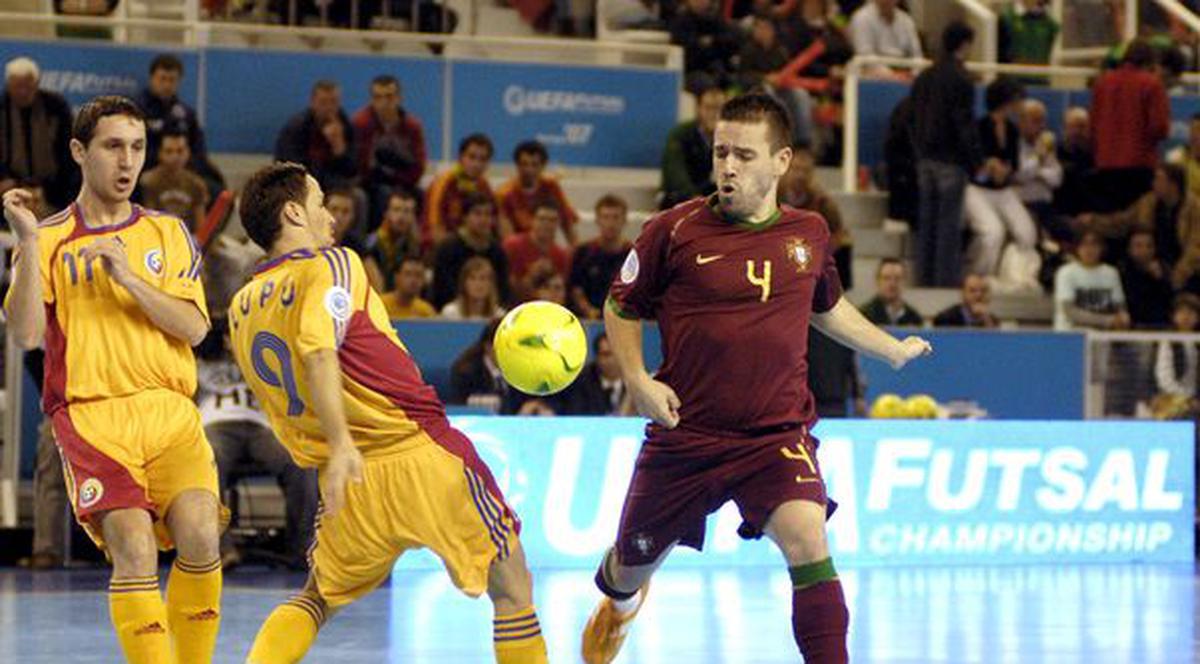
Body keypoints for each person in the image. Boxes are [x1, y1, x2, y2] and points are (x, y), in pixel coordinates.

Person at [583, 93, 932, 664]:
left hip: (776, 436)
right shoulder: (672, 231)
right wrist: (639, 380)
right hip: (685, 436)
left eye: (744, 155)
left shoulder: (811, 233)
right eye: (721, 152)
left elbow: (826, 306)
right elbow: (621, 305)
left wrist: (888, 348)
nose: (728, 166)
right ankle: (620, 606)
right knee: (630, 564)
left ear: (781, 161)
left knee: (809, 539)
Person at [229, 162, 547, 663]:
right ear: (293, 212)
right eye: (319, 204)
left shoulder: (242, 304)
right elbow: (318, 350)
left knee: (315, 598)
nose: (330, 217)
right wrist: (341, 444)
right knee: (512, 585)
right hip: (417, 451)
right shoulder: (334, 263)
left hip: (352, 484)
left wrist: (335, 450)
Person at [2, 96, 222, 663]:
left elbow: (195, 329)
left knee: (201, 535)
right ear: (79, 151)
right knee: (135, 545)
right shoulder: (47, 240)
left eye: (137, 147)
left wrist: (127, 276)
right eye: (112, 146)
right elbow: (25, 334)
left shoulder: (169, 233)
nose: (127, 162)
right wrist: (26, 244)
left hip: (170, 413)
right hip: (93, 416)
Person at [195, 320, 318, 570]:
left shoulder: (264, 358)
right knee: (207, 459)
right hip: (216, 424)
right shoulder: (201, 361)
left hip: (261, 426)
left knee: (300, 461)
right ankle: (220, 548)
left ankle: (301, 548)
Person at [911, 21, 984, 286]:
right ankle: (942, 283)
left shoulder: (924, 76)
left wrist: (919, 151)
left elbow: (912, 118)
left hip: (925, 159)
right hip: (950, 161)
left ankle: (923, 279)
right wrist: (977, 161)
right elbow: (963, 124)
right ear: (964, 44)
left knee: (926, 224)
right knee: (947, 227)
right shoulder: (961, 79)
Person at [964, 77, 1039, 280]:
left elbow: (1013, 164)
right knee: (993, 232)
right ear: (1007, 100)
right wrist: (988, 166)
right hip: (977, 188)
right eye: (1019, 100)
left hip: (1003, 190)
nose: (1022, 105)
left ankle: (1014, 276)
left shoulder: (1013, 130)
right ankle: (978, 277)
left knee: (1026, 233)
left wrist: (1005, 170)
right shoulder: (978, 127)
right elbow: (972, 161)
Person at [1080, 163, 1200, 288]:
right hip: (1149, 257)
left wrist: (1176, 274)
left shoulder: (1195, 208)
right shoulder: (1148, 202)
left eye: (1159, 179)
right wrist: (1094, 220)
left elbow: (1195, 248)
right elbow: (1122, 222)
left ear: (1173, 185)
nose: (1154, 183)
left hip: (1181, 265)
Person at [1090, 40, 1170, 213]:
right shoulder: (1152, 84)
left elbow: (1094, 126)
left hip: (1105, 165)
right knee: (1139, 222)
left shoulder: (1102, 83)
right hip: (1139, 165)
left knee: (1109, 224)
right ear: (1150, 62)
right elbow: (1159, 128)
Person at [135, 54, 224, 196]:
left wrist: (184, 162)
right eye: (162, 79)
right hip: (147, 170)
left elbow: (199, 151)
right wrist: (161, 160)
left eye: (172, 80)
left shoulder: (187, 114)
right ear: (152, 78)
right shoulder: (136, 111)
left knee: (217, 191)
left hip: (184, 171)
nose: (167, 85)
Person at [0, 57, 76, 208]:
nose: (22, 92)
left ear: (37, 84)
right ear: (8, 86)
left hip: (53, 188)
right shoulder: (1, 109)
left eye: (27, 86)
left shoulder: (56, 107)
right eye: (17, 86)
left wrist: (46, 190)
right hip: (8, 185)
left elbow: (68, 154)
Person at [351, 75, 427, 219]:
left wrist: (400, 181)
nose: (384, 103)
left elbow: (419, 166)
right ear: (371, 100)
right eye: (378, 97)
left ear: (399, 98)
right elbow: (359, 166)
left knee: (421, 195)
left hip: (404, 182)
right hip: (371, 184)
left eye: (389, 97)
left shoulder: (412, 126)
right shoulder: (361, 124)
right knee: (382, 195)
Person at [779, 146, 852, 286]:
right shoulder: (773, 195)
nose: (800, 176)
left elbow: (838, 234)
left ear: (812, 174)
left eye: (805, 171)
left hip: (809, 254)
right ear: (786, 170)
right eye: (796, 169)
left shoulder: (823, 202)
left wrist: (818, 256)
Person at [274, 80, 358, 191]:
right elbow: (289, 166)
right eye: (323, 102)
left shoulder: (346, 126)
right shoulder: (296, 128)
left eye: (333, 102)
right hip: (301, 183)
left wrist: (339, 148)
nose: (328, 108)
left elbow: (352, 171)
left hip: (336, 184)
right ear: (312, 102)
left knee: (359, 196)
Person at [431, 192, 511, 309]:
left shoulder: (498, 251)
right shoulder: (447, 249)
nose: (483, 219)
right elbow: (441, 290)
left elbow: (503, 291)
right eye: (477, 214)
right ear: (465, 217)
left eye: (488, 214)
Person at [496, 140, 579, 245]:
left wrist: (578, 254)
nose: (529, 170)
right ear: (516, 165)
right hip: (519, 251)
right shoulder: (504, 194)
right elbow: (508, 240)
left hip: (547, 249)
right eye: (524, 164)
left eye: (535, 164)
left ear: (543, 166)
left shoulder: (552, 187)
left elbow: (568, 224)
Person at [661, 80, 726, 209]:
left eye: (719, 108)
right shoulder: (680, 134)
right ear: (698, 109)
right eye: (708, 108)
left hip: (714, 202)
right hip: (680, 201)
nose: (713, 114)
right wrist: (694, 198)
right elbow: (675, 173)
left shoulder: (730, 138)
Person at [426, 133, 497, 245]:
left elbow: (492, 224)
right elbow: (435, 227)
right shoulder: (443, 183)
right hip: (441, 247)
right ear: (461, 158)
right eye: (471, 157)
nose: (476, 164)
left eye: (483, 159)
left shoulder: (484, 186)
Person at [569, 194, 632, 319]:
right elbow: (576, 288)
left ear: (624, 220)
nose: (611, 223)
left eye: (616, 217)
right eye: (606, 217)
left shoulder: (632, 255)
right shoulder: (583, 252)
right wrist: (588, 310)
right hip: (590, 319)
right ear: (597, 220)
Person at [1053, 230, 1130, 331]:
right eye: (1084, 244)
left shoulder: (1111, 273)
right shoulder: (1066, 272)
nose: (1089, 249)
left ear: (1102, 248)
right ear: (1077, 248)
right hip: (1071, 334)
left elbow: (1119, 306)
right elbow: (1069, 311)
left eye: (1094, 244)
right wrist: (1108, 321)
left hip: (1102, 335)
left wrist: (1123, 319)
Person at [138, 129, 210, 230]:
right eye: (169, 151)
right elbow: (149, 222)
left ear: (187, 153)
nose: (175, 157)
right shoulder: (148, 182)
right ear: (160, 154)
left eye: (180, 151)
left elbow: (201, 227)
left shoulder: (197, 184)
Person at [503, 200, 571, 298]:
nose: (546, 224)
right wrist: (531, 276)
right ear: (531, 220)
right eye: (542, 219)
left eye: (552, 220)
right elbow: (505, 289)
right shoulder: (512, 246)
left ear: (558, 223)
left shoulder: (561, 255)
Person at [553, 333, 628, 415]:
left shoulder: (635, 382)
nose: (612, 360)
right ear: (597, 357)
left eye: (617, 354)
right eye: (606, 354)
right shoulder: (581, 382)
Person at [363, 189, 422, 292]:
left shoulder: (413, 246)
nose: (401, 217)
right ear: (386, 213)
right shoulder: (371, 244)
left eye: (407, 211)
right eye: (396, 210)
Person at [848, 0, 922, 77]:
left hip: (905, 74)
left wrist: (915, 74)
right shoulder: (861, 18)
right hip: (872, 77)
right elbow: (865, 56)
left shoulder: (906, 20)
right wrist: (893, 76)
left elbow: (917, 55)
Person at [1119, 230, 1173, 328]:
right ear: (1129, 249)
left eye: (1149, 246)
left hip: (1160, 327)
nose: (1144, 250)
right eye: (1138, 246)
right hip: (1130, 328)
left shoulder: (1165, 270)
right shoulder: (1121, 272)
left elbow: (1169, 304)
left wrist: (1160, 280)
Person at [1155, 294, 1200, 396]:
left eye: (1191, 312)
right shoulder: (1167, 342)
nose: (1186, 316)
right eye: (1181, 312)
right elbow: (1165, 380)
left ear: (1197, 318)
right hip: (1172, 397)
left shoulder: (1197, 342)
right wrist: (1184, 398)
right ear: (1174, 316)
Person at [858, 258, 923, 326]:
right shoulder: (863, 315)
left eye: (897, 278)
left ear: (905, 282)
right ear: (877, 281)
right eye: (886, 278)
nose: (892, 284)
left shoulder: (914, 318)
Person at [441, 256, 507, 320]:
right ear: (464, 283)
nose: (478, 284)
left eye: (483, 278)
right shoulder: (450, 314)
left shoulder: (499, 315)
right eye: (472, 278)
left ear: (491, 284)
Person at [932, 274, 1000, 328]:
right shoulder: (946, 319)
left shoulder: (992, 320)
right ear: (963, 293)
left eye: (983, 291)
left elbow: (997, 342)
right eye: (972, 291)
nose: (978, 295)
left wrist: (986, 319)